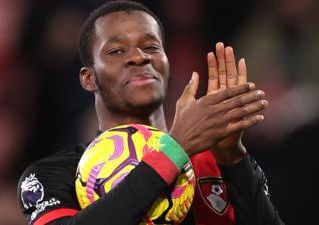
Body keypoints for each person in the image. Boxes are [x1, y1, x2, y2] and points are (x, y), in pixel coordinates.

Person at [17, 1, 284, 225]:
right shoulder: (53, 173)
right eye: (117, 50)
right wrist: (174, 149)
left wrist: (233, 159)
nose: (139, 57)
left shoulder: (213, 164)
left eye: (151, 47)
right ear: (89, 79)